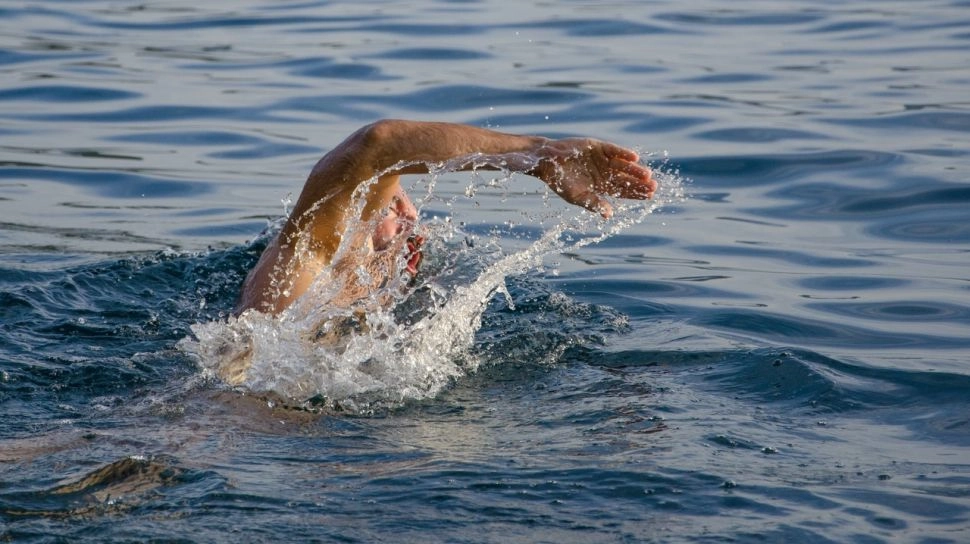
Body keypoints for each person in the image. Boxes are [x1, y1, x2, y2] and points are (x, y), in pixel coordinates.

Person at [235, 119, 656, 315]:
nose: (403, 211)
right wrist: (539, 154)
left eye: (404, 205)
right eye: (387, 199)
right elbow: (378, 146)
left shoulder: (368, 314)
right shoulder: (304, 265)